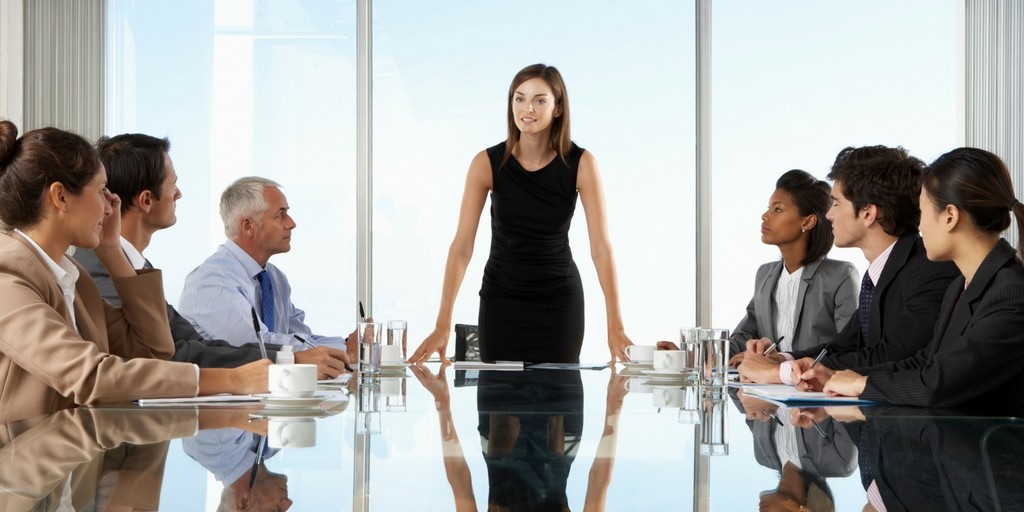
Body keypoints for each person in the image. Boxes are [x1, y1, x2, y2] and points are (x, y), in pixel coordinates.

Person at [0, 121, 267, 422]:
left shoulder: (72, 277)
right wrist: (232, 380)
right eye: (102, 191)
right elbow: (90, 377)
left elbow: (153, 351)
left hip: (71, 461)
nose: (110, 206)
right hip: (20, 463)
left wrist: (113, 251)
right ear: (61, 197)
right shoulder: (7, 279)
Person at [409, 63, 633, 364]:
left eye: (540, 99)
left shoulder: (581, 164)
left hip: (559, 301)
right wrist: (442, 324)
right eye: (519, 98)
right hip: (501, 299)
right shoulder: (486, 163)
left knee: (559, 403)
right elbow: (461, 247)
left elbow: (601, 249)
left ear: (557, 108)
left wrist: (615, 327)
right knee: (499, 404)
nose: (527, 108)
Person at [74, 134, 349, 377]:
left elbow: (192, 344)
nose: (179, 194)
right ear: (146, 200)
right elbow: (168, 356)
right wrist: (289, 361)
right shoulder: (100, 267)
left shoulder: (136, 265)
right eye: (173, 185)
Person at [812, 147, 1024, 412]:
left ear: (950, 216)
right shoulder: (961, 285)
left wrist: (862, 384)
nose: (919, 227)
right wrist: (836, 376)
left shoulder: (1012, 292)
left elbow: (937, 383)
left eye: (922, 213)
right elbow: (924, 362)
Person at [738, 145, 959, 385]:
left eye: (836, 203)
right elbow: (840, 347)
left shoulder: (931, 268)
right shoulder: (879, 272)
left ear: (868, 213)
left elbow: (890, 356)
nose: (829, 215)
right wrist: (781, 358)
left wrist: (783, 373)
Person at [178, 177, 355, 356]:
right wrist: (345, 350)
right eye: (280, 215)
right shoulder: (211, 282)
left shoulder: (274, 277)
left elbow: (301, 338)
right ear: (248, 226)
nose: (291, 223)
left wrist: (348, 345)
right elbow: (260, 346)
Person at [727, 169, 859, 360]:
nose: (765, 215)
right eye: (769, 207)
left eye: (777, 209)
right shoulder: (765, 274)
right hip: (768, 387)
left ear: (807, 221)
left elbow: (849, 348)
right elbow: (743, 337)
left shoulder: (840, 275)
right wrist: (690, 355)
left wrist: (784, 360)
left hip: (815, 386)